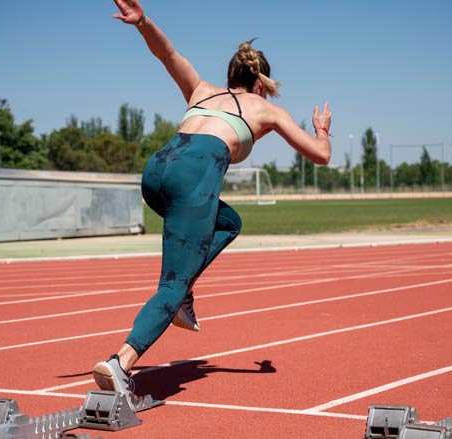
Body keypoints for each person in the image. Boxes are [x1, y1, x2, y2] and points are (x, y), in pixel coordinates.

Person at [93, 0, 332, 407]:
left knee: (229, 221)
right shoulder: (266, 108)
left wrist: (143, 22)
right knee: (172, 282)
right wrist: (322, 130)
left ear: (231, 75)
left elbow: (166, 54)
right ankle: (121, 362)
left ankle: (184, 294)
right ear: (261, 83)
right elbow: (320, 155)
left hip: (157, 173)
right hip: (193, 178)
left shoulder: (202, 90)